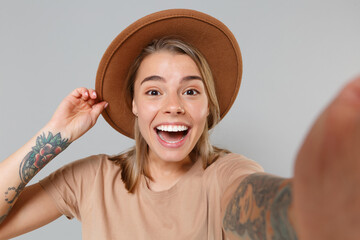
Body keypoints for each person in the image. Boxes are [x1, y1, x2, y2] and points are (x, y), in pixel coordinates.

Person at [0, 8, 360, 240]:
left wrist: (316, 205)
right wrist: (55, 136)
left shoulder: (226, 176)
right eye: (154, 92)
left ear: (207, 107)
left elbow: (270, 208)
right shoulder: (91, 181)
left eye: (190, 90)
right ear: (134, 106)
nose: (173, 106)